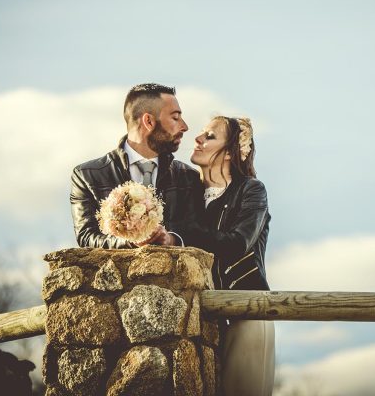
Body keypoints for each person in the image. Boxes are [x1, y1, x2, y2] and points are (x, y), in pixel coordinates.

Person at [188, 115, 274, 396]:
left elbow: (238, 242)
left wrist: (181, 234)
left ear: (230, 153)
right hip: (198, 319)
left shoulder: (251, 190)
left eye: (210, 136)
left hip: (246, 311)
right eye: (201, 133)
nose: (198, 139)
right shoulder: (187, 194)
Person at [70, 83, 204, 248]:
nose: (184, 126)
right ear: (148, 121)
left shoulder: (188, 177)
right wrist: (131, 243)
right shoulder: (87, 176)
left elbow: (198, 233)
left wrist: (171, 239)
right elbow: (86, 237)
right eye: (175, 118)